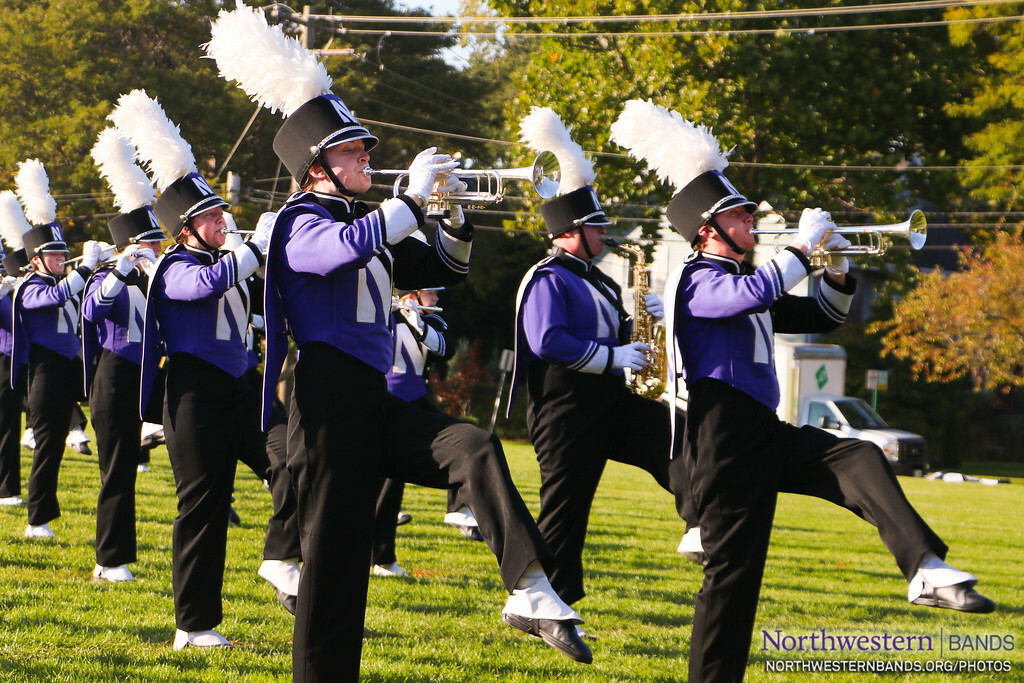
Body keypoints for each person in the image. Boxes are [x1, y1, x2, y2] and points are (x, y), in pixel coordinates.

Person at [612, 99, 996, 683]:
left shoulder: (746, 279)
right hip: (722, 437)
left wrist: (837, 269)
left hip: (760, 430)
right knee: (733, 584)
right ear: (710, 230)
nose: (752, 223)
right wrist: (798, 250)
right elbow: (754, 295)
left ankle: (924, 567)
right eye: (740, 217)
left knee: (857, 454)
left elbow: (820, 309)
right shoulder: (696, 280)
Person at [111, 88, 273, 649]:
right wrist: (252, 252)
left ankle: (283, 564)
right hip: (194, 395)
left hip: (242, 387)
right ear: (186, 228)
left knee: (293, 467)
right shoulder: (173, 267)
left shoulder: (226, 256)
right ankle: (193, 624)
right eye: (212, 216)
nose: (224, 221)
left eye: (222, 212)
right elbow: (208, 283)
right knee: (202, 508)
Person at [83, 127, 165, 582]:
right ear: (128, 246)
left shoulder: (152, 279)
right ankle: (109, 559)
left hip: (148, 377)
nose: (156, 249)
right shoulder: (106, 278)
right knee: (118, 471)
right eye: (149, 244)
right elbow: (94, 309)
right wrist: (120, 267)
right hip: (115, 379)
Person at [10, 160, 99, 540]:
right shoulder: (28, 287)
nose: (63, 261)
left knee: (58, 448)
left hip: (69, 368)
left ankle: (42, 514)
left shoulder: (59, 278)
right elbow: (58, 294)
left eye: (64, 255)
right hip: (44, 372)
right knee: (47, 446)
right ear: (36, 259)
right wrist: (83, 271)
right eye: (56, 256)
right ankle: (37, 519)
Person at [371, 286, 482, 578]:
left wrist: (418, 323)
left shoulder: (432, 320)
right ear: (413, 293)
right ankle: (381, 560)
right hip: (384, 402)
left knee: (462, 439)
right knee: (388, 485)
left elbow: (445, 351)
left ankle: (457, 508)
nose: (436, 299)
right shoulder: (385, 314)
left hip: (417, 401)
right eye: (431, 294)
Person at [0, 240, 27, 508]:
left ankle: (8, 489)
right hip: (4, 359)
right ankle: (6, 489)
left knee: (11, 426)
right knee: (6, 425)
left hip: (22, 360)